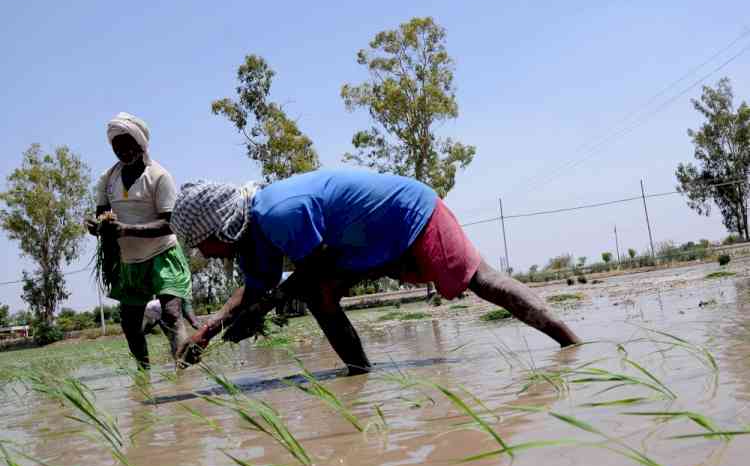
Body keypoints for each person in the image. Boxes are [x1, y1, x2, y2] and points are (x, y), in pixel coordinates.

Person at [170, 170, 581, 374]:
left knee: (482, 279)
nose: (203, 252)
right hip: (363, 241)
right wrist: (207, 333)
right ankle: (360, 375)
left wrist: (262, 310)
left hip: (409, 213)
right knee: (320, 297)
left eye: (201, 243)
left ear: (219, 227)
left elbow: (314, 270)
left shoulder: (279, 213)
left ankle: (571, 344)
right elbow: (257, 286)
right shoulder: (252, 236)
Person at [86, 113, 194, 369]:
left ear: (141, 143)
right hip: (130, 262)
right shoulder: (107, 179)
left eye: (127, 144)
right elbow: (103, 216)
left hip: (163, 254)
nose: (122, 150)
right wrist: (98, 227)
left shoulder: (159, 176)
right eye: (116, 146)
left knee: (170, 314)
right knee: (130, 324)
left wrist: (127, 229)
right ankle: (143, 375)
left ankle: (184, 370)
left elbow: (170, 223)